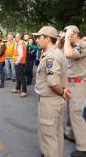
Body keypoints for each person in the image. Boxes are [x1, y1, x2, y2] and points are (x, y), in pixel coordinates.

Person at [33, 26, 71, 157]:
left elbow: (53, 83)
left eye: (39, 37)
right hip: (56, 101)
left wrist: (61, 92)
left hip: (50, 102)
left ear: (48, 39)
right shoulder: (55, 53)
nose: (36, 40)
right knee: (56, 135)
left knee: (49, 136)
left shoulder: (51, 57)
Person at [63, 25, 86, 157]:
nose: (66, 36)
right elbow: (61, 53)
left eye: (68, 34)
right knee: (69, 113)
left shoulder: (82, 45)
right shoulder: (70, 45)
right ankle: (71, 134)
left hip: (78, 84)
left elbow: (69, 54)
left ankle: (83, 147)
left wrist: (66, 39)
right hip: (70, 83)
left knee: (76, 115)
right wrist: (63, 40)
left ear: (75, 35)